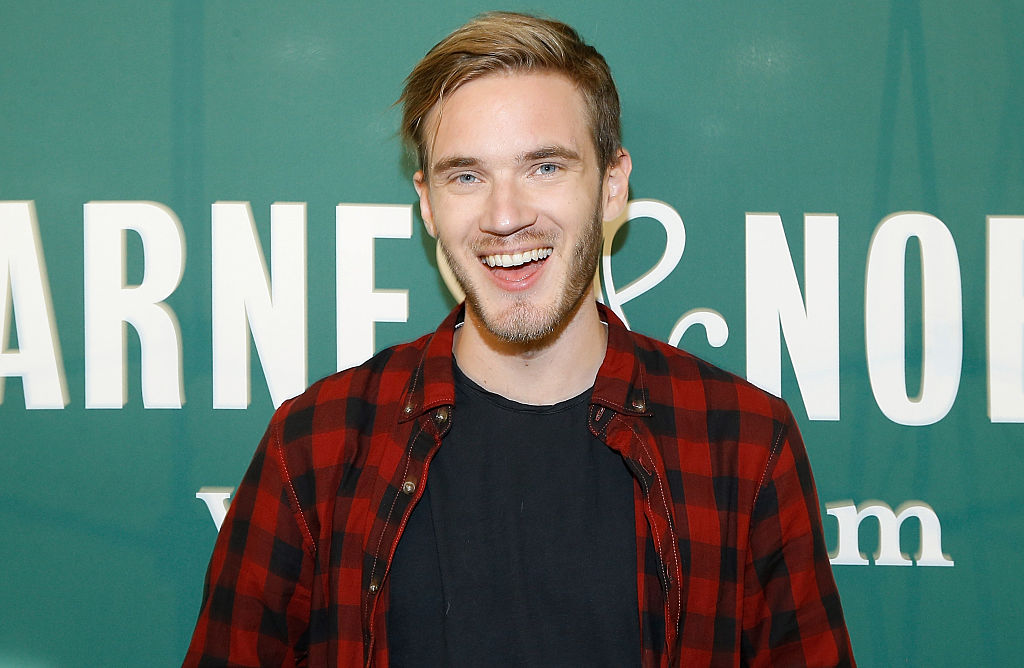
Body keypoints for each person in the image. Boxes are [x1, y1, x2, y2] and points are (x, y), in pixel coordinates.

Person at [184, 11, 854, 667]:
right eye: (466, 176)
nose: (504, 217)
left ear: (612, 185)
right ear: (427, 202)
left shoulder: (743, 443)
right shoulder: (316, 446)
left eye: (545, 167)